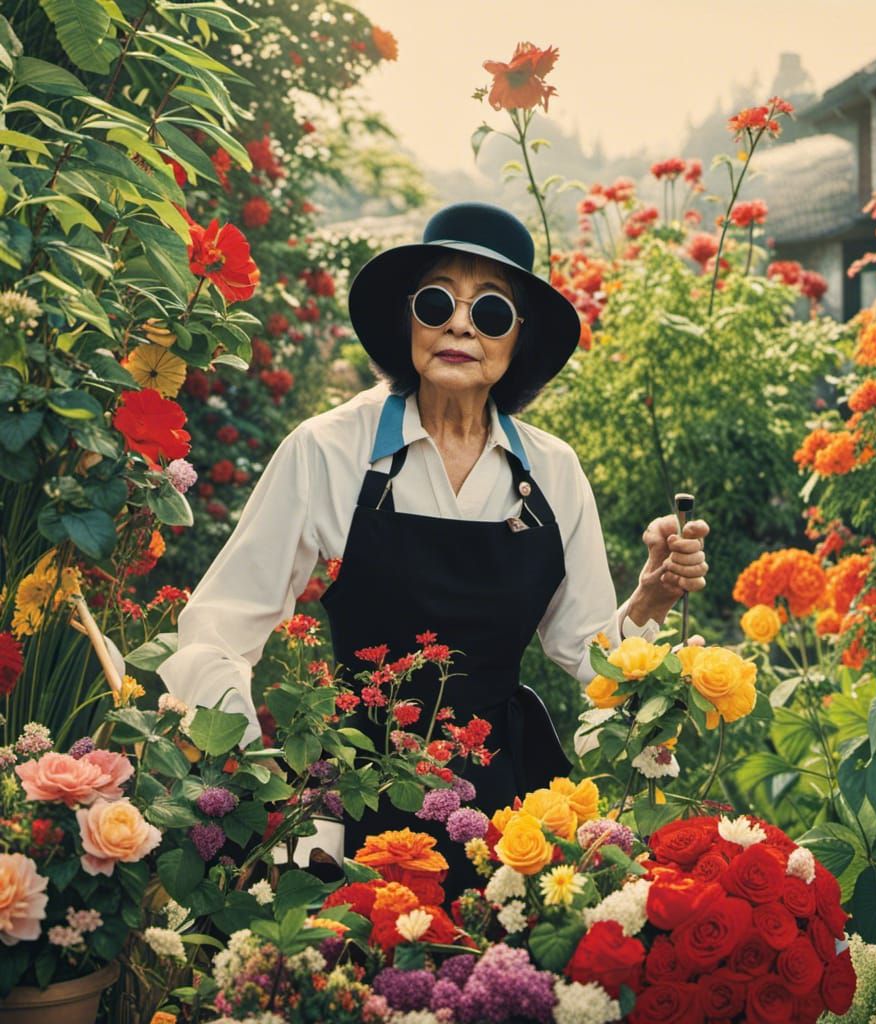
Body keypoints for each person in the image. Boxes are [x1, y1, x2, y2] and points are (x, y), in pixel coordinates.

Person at [157, 201, 709, 896]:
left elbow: (590, 655)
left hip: (510, 812)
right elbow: (214, 633)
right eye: (438, 300)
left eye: (491, 312)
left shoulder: (553, 472)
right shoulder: (328, 451)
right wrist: (255, 786)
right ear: (409, 318)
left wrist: (652, 592)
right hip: (351, 801)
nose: (459, 324)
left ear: (517, 341)